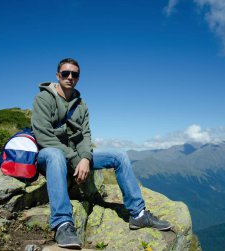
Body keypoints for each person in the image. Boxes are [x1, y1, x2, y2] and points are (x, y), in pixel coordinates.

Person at [31, 58, 171, 248]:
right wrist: (75, 159)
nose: (70, 77)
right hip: (48, 155)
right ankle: (63, 223)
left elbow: (85, 136)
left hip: (76, 155)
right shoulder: (43, 99)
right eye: (65, 73)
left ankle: (138, 214)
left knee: (119, 156)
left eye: (74, 74)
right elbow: (43, 136)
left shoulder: (81, 105)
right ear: (58, 75)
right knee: (56, 156)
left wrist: (86, 159)